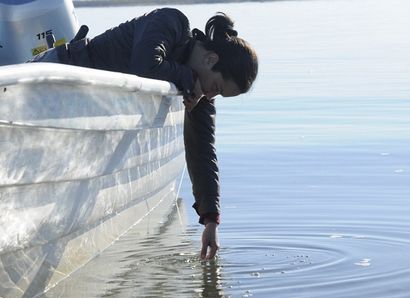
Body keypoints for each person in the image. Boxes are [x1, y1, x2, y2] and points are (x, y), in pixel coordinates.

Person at [30, 8, 259, 260]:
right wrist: (186, 76)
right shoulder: (171, 22)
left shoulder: (198, 89)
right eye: (215, 87)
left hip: (76, 112)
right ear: (210, 60)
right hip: (52, 78)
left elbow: (203, 151)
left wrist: (211, 222)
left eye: (217, 95)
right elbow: (145, 65)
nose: (209, 96)